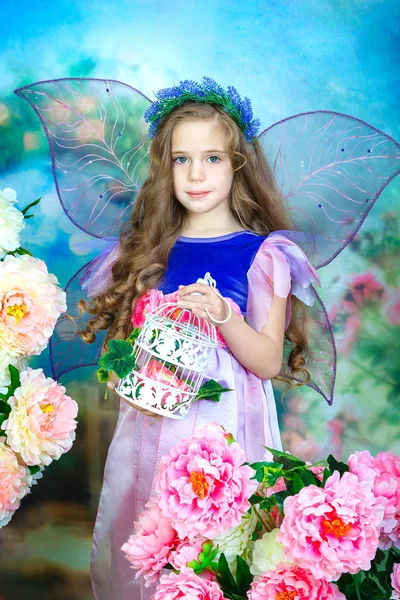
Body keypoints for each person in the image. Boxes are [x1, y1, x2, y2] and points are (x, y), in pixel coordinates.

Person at [79, 87, 320, 599]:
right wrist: (126, 369)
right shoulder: (150, 252)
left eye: (211, 158)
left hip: (225, 438)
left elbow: (268, 360)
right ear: (164, 168)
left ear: (238, 165)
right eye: (181, 160)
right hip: (153, 433)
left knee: (217, 553)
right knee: (154, 540)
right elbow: (123, 356)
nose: (195, 174)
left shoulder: (263, 255)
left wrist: (224, 315)